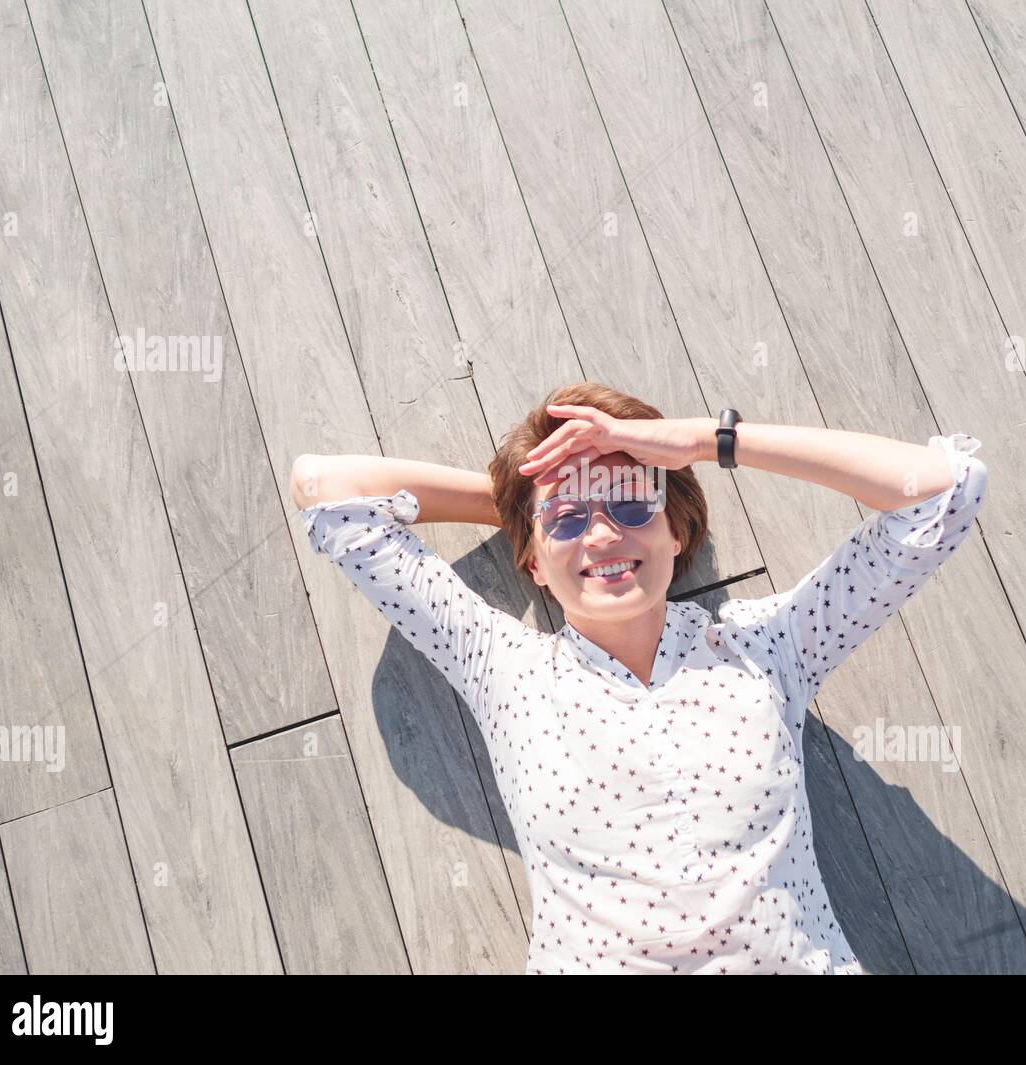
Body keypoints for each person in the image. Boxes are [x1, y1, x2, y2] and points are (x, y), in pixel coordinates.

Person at [290, 382, 988, 974]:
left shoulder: (768, 645)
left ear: (676, 532)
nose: (601, 535)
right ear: (530, 561)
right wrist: (522, 499)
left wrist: (701, 443)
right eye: (568, 523)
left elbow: (940, 493)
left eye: (630, 502)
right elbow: (327, 488)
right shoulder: (502, 666)